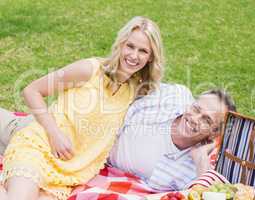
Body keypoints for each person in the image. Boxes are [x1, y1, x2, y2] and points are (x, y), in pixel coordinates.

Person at [0, 16, 165, 200]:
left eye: (143, 51)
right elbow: (32, 91)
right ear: (121, 44)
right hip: (39, 147)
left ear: (151, 57)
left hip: (67, 172)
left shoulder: (136, 90)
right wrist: (55, 134)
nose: (134, 55)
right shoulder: (90, 70)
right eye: (130, 46)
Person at [108, 84, 236, 191]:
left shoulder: (195, 169)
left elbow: (209, 195)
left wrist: (201, 157)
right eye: (196, 109)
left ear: (214, 133)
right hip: (97, 140)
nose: (195, 119)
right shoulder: (174, 96)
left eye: (206, 120)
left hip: (109, 173)